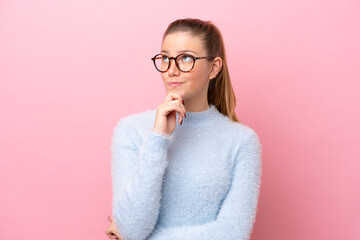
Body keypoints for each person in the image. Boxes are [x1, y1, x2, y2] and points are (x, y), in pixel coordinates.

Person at [105, 18, 262, 240]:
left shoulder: (242, 141)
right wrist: (158, 139)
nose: (171, 70)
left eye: (186, 58)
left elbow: (233, 234)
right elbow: (131, 228)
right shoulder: (131, 131)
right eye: (166, 58)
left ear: (214, 68)